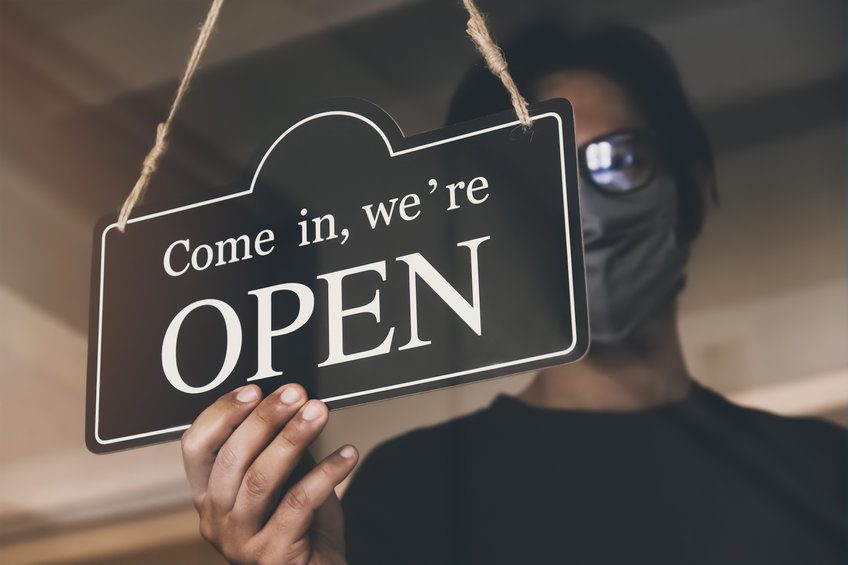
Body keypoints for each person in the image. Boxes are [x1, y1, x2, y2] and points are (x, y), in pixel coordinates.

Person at [180, 20, 847, 564]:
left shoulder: (825, 471)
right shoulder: (418, 491)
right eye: (539, 178)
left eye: (617, 160)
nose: (582, 211)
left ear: (695, 191)